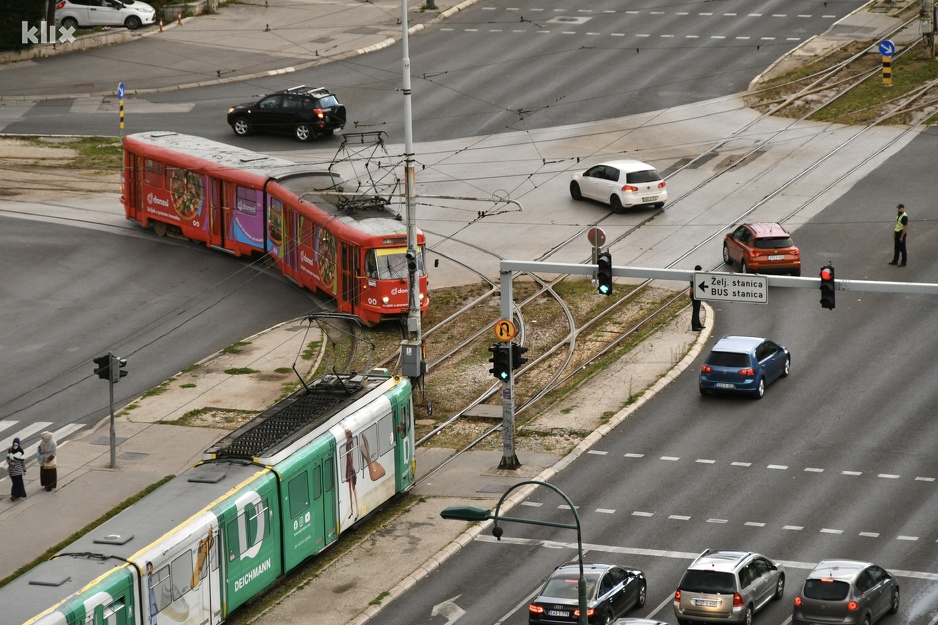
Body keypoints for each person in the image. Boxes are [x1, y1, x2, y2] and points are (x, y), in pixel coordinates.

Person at [344, 428, 359, 522]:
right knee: (350, 489)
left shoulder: (349, 442)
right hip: (349, 466)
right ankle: (352, 510)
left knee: (352, 489)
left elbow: (350, 456)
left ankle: (356, 510)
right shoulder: (349, 441)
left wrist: (351, 467)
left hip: (350, 466)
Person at [690, 265, 704, 331]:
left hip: (697, 295)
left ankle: (698, 324)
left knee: (697, 311)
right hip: (695, 295)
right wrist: (691, 295)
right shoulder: (695, 277)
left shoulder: (697, 276)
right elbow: (692, 288)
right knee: (695, 311)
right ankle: (694, 326)